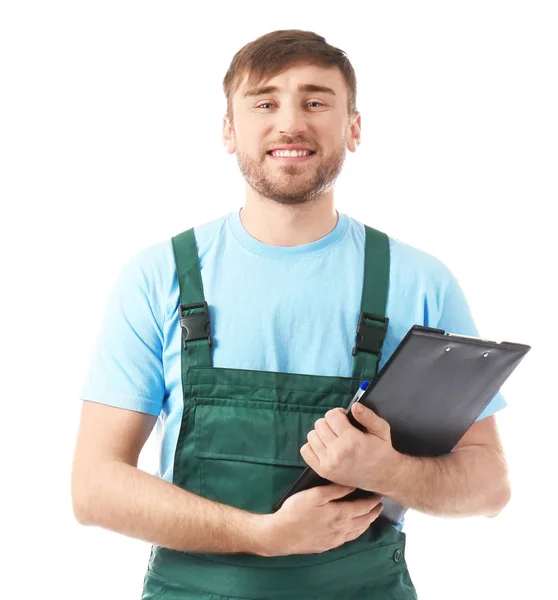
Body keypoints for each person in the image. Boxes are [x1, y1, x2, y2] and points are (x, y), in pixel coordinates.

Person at [71, 29, 511, 600]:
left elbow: (490, 486)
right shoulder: (159, 277)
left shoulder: (419, 281)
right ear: (229, 130)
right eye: (264, 102)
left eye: (316, 101)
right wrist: (263, 535)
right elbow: (94, 487)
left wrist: (388, 470)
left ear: (353, 127)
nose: (290, 123)